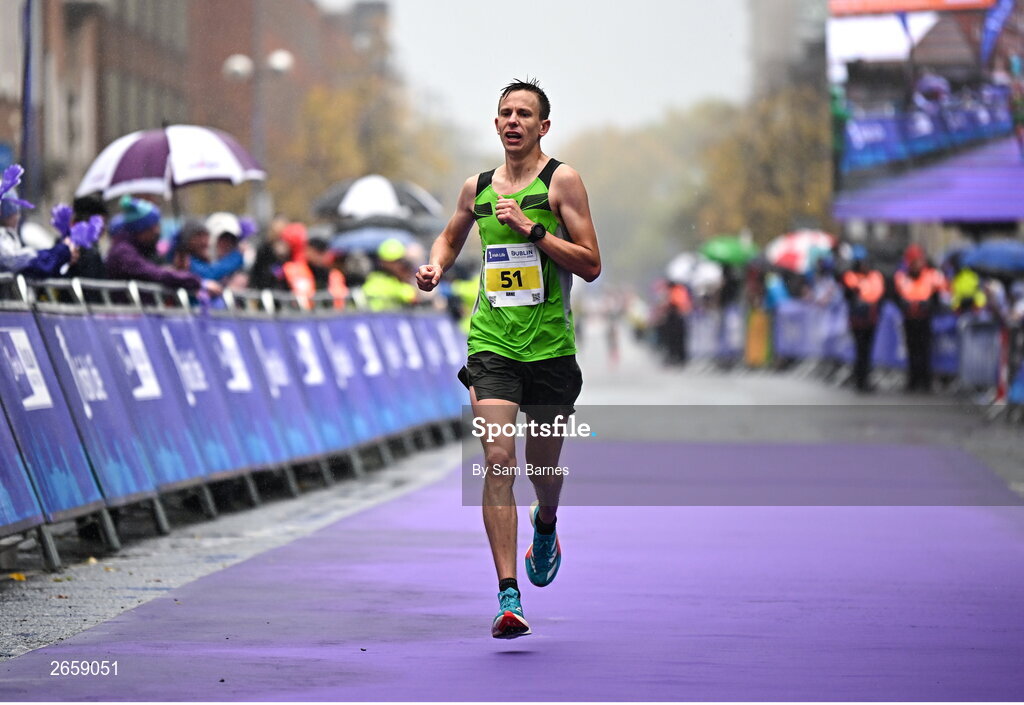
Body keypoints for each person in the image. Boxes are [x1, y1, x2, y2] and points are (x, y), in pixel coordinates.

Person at [416, 78, 601, 639]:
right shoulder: (476, 187)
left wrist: (534, 230)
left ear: (544, 126)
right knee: (499, 458)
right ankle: (507, 595)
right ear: (496, 124)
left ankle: (546, 521)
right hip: (491, 342)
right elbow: (449, 237)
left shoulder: (561, 181)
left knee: (543, 468)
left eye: (525, 113)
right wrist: (436, 266)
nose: (514, 121)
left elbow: (591, 263)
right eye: (505, 113)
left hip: (549, 349)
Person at [105, 196, 219, 296]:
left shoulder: (140, 249)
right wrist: (197, 282)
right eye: (154, 227)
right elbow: (154, 273)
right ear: (141, 229)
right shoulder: (123, 253)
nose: (158, 232)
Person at [0, 164, 79, 278]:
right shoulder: (2, 237)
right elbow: (14, 261)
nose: (17, 217)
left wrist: (60, 254)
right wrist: (61, 252)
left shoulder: (9, 236)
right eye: (14, 212)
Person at [894, 244, 945, 392]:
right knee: (912, 350)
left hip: (924, 318)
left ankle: (925, 381)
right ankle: (913, 380)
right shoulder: (902, 277)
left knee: (925, 350)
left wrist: (930, 307)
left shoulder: (931, 275)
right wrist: (904, 305)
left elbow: (939, 295)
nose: (917, 264)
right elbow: (897, 296)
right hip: (909, 318)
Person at [840, 246, 884, 392]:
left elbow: (879, 295)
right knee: (860, 350)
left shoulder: (875, 276)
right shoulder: (850, 277)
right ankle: (860, 380)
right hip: (858, 320)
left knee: (867, 351)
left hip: (870, 319)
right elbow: (848, 294)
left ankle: (865, 378)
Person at [363, 238, 417, 311]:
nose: (401, 265)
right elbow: (410, 296)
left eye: (402, 261)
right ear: (385, 263)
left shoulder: (403, 279)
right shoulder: (375, 279)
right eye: (397, 261)